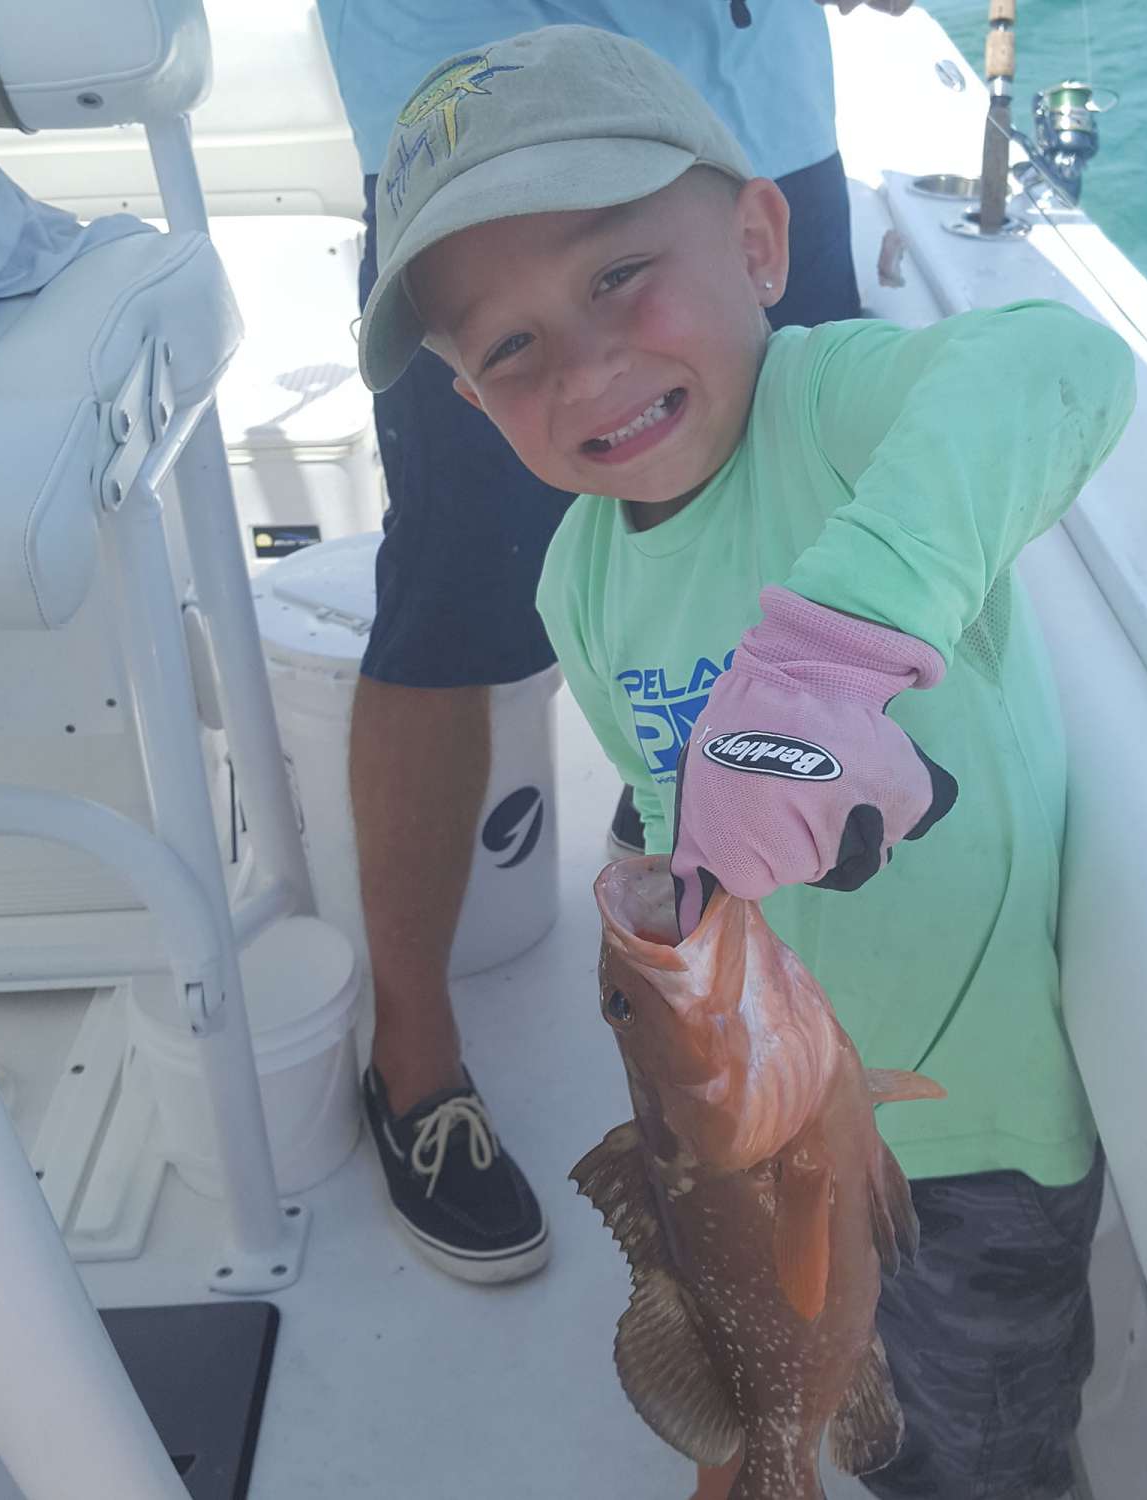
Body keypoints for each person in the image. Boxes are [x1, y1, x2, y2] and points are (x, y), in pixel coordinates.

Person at [357, 23, 1135, 1500]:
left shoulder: (835, 410)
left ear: (763, 241)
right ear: (469, 404)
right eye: (509, 347)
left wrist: (841, 648)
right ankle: (756, 1445)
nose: (584, 366)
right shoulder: (575, 582)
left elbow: (1062, 364)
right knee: (797, 1381)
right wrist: (656, 882)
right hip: (748, 1147)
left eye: (617, 275)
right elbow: (664, 791)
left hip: (975, 1135)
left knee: (975, 1460)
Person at [314, 0, 909, 1287]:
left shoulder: (747, 220)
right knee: (447, 608)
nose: (574, 371)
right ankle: (411, 1058)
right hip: (459, 128)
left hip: (734, 104)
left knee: (810, 523)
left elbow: (1038, 387)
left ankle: (822, 1044)